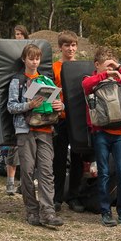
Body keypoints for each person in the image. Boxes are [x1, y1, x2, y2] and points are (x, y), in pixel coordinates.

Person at [7, 43, 64, 229]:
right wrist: (29, 105)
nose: (34, 61)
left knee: (47, 171)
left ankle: (48, 211)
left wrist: (60, 106)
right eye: (31, 58)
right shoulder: (17, 81)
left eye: (37, 58)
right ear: (24, 59)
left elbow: (59, 103)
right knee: (28, 171)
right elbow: (11, 106)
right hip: (25, 130)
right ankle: (32, 210)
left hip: (46, 130)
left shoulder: (47, 80)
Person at [83, 46, 121, 228]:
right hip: (101, 133)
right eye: (106, 66)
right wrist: (104, 75)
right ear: (97, 65)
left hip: (120, 133)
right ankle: (105, 211)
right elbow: (86, 86)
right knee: (104, 172)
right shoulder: (91, 79)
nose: (109, 70)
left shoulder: (119, 79)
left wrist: (119, 69)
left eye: (111, 66)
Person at [52, 31, 86, 212]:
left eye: (73, 45)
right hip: (61, 119)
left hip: (78, 119)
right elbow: (49, 91)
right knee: (58, 158)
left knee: (78, 158)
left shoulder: (82, 67)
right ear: (60, 47)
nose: (71, 49)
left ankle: (74, 196)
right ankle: (57, 197)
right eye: (67, 45)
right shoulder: (54, 67)